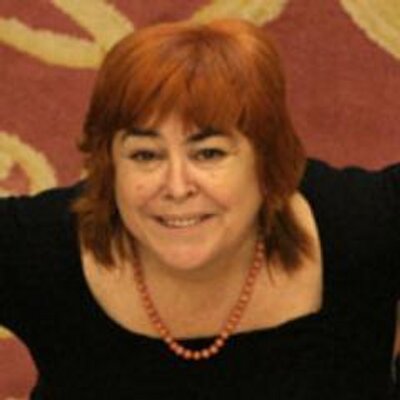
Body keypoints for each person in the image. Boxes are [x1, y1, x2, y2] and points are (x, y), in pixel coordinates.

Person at [0, 18, 399, 399]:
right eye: (145, 155)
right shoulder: (40, 250)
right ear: (109, 165)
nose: (176, 187)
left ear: (266, 160)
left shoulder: (364, 225)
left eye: (209, 153)